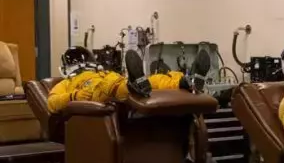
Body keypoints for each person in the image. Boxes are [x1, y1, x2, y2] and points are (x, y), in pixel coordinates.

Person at [47, 46, 211, 113]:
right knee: (117, 86)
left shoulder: (100, 73)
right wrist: (73, 96)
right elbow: (52, 102)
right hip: (95, 91)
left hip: (113, 81)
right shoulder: (66, 83)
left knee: (152, 81)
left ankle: (185, 81)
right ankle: (133, 85)